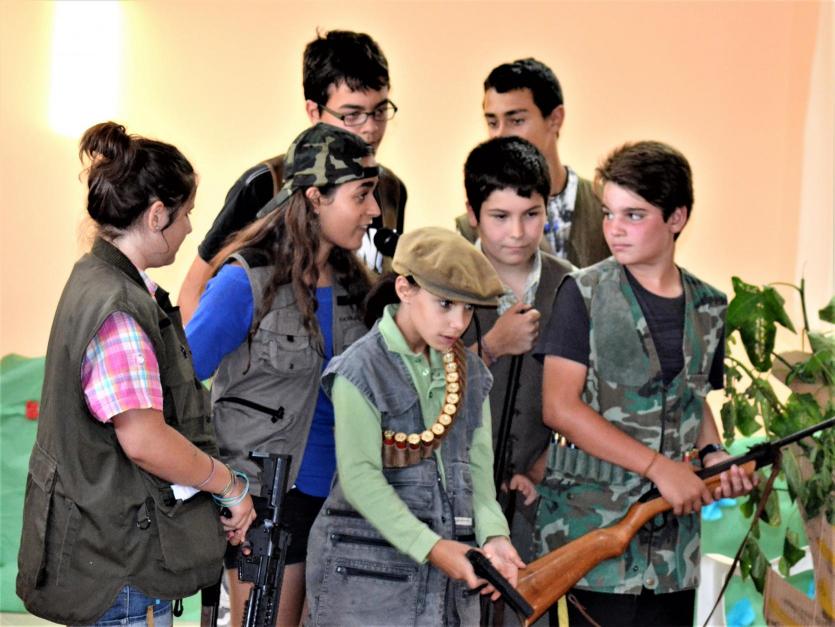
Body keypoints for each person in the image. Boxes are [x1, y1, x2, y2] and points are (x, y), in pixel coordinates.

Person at [16, 122, 255, 626]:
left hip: (104, 550)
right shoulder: (119, 309)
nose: (190, 229)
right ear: (156, 215)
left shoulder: (95, 277)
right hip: (120, 566)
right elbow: (145, 441)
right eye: (186, 214)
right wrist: (228, 485)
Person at [533, 141, 755, 626]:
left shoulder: (709, 306)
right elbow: (560, 407)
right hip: (593, 539)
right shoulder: (583, 293)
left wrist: (716, 456)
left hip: (674, 552)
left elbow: (693, 401)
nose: (614, 228)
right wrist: (659, 468)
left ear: (677, 218)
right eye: (609, 213)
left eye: (633, 215)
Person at [186, 123, 379, 627]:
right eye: (361, 195)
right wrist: (214, 484)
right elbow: (180, 385)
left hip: (343, 500)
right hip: (268, 503)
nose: (374, 210)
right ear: (315, 197)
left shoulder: (358, 289)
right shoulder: (245, 281)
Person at [305, 227, 525, 626]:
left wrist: (495, 536)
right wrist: (433, 547)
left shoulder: (472, 374)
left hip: (446, 592)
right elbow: (359, 478)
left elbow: (478, 474)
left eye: (468, 310)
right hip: (366, 587)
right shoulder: (359, 368)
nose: (458, 323)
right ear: (405, 289)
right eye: (445, 304)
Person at [178, 29, 406, 322]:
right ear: (314, 111)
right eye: (352, 115)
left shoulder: (391, 190)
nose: (370, 128)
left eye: (379, 111)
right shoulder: (266, 184)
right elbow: (194, 293)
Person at [459, 137, 572, 569]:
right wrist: (491, 347)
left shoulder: (571, 286)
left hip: (530, 504)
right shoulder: (442, 282)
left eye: (531, 214)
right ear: (472, 214)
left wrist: (545, 465)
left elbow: (594, 397)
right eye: (500, 217)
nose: (518, 233)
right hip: (448, 498)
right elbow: (414, 385)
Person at [455, 58, 609, 268]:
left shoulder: (607, 206)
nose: (500, 134)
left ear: (555, 119)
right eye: (492, 123)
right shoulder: (470, 227)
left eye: (516, 121)